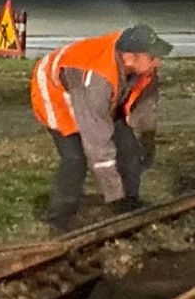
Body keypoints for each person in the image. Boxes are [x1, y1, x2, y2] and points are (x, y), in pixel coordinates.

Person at [31, 23, 171, 228]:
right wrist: (115, 197)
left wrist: (146, 142)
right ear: (129, 58)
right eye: (153, 57)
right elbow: (97, 143)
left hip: (104, 94)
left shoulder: (142, 69)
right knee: (75, 158)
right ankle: (59, 214)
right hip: (56, 92)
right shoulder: (96, 80)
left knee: (130, 149)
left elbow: (144, 109)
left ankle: (130, 201)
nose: (158, 62)